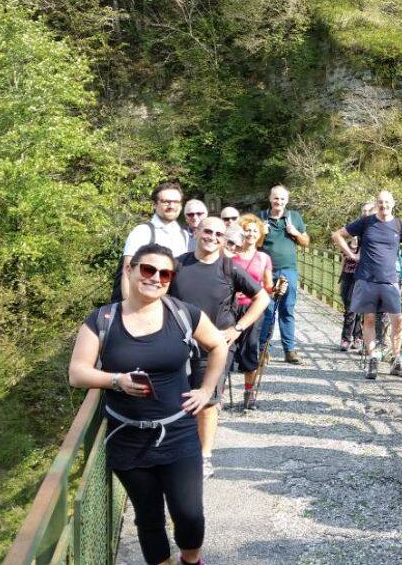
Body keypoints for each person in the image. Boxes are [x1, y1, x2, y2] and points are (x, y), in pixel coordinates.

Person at [68, 244, 227, 565]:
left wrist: (206, 390)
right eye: (148, 269)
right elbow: (78, 373)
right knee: (149, 517)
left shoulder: (183, 314)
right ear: (129, 270)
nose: (155, 278)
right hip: (128, 438)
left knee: (190, 515)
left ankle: (191, 560)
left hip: (179, 434)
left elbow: (218, 344)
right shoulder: (102, 319)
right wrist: (116, 381)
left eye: (165, 273)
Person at [170, 217, 271, 478]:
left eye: (218, 234)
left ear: (224, 238)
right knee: (176, 399)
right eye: (208, 231)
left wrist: (238, 329)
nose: (212, 237)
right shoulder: (177, 265)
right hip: (177, 345)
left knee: (208, 402)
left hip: (215, 347)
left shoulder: (229, 268)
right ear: (196, 232)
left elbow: (262, 297)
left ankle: (204, 457)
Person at [331, 190, 402, 380]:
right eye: (380, 202)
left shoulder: (399, 225)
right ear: (377, 204)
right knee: (369, 320)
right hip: (366, 279)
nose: (383, 205)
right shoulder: (367, 222)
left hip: (390, 280)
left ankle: (396, 360)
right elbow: (337, 235)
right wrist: (352, 255)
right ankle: (372, 359)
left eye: (387, 202)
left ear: (393, 203)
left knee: (398, 320)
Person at [258, 185, 310, 365]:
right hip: (265, 270)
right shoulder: (261, 217)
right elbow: (251, 243)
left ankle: (290, 350)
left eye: (282, 199)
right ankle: (263, 350)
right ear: (270, 198)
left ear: (286, 201)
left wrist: (295, 233)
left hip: (288, 269)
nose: (278, 201)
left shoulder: (293, 217)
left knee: (287, 309)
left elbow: (306, 241)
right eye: (275, 198)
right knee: (267, 310)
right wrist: (261, 235)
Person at [231, 215, 274, 410]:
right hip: (230, 307)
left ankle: (249, 393)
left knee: (250, 348)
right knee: (226, 349)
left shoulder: (264, 258)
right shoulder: (230, 256)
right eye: (247, 230)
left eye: (255, 231)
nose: (251, 234)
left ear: (260, 236)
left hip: (253, 308)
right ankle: (219, 392)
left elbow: (268, 285)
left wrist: (277, 290)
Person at [120, 182, 192, 270]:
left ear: (181, 205)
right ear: (154, 204)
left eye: (176, 202)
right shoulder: (142, 232)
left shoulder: (183, 235)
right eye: (166, 202)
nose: (172, 206)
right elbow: (128, 271)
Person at [339, 201, 376, 352]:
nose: (365, 214)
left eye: (368, 211)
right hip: (348, 274)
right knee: (349, 306)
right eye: (363, 211)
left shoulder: (373, 232)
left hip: (363, 276)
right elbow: (341, 243)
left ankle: (350, 338)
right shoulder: (356, 230)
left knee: (353, 307)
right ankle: (354, 337)